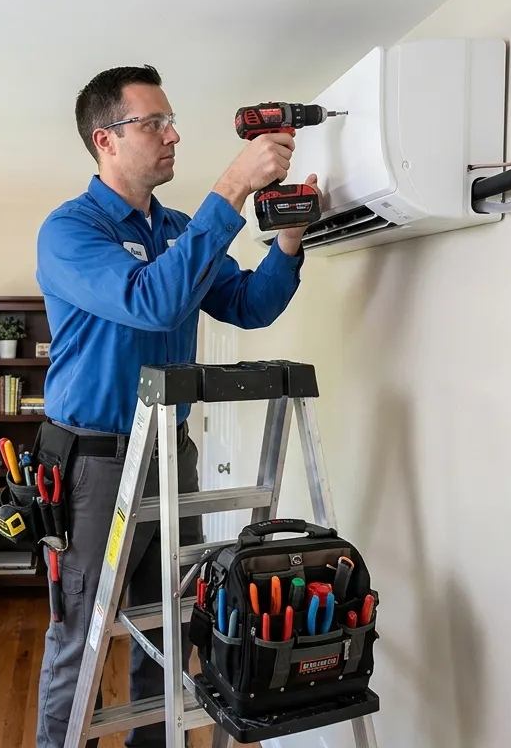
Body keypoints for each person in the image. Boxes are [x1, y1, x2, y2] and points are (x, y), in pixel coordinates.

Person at [30, 64, 317, 748]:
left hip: (169, 451)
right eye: (154, 123)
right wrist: (235, 185)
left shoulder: (179, 230)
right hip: (93, 464)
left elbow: (251, 304)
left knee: (163, 621)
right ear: (106, 140)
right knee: (83, 632)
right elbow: (148, 299)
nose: (173, 134)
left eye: (170, 120)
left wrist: (289, 236)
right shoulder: (69, 232)